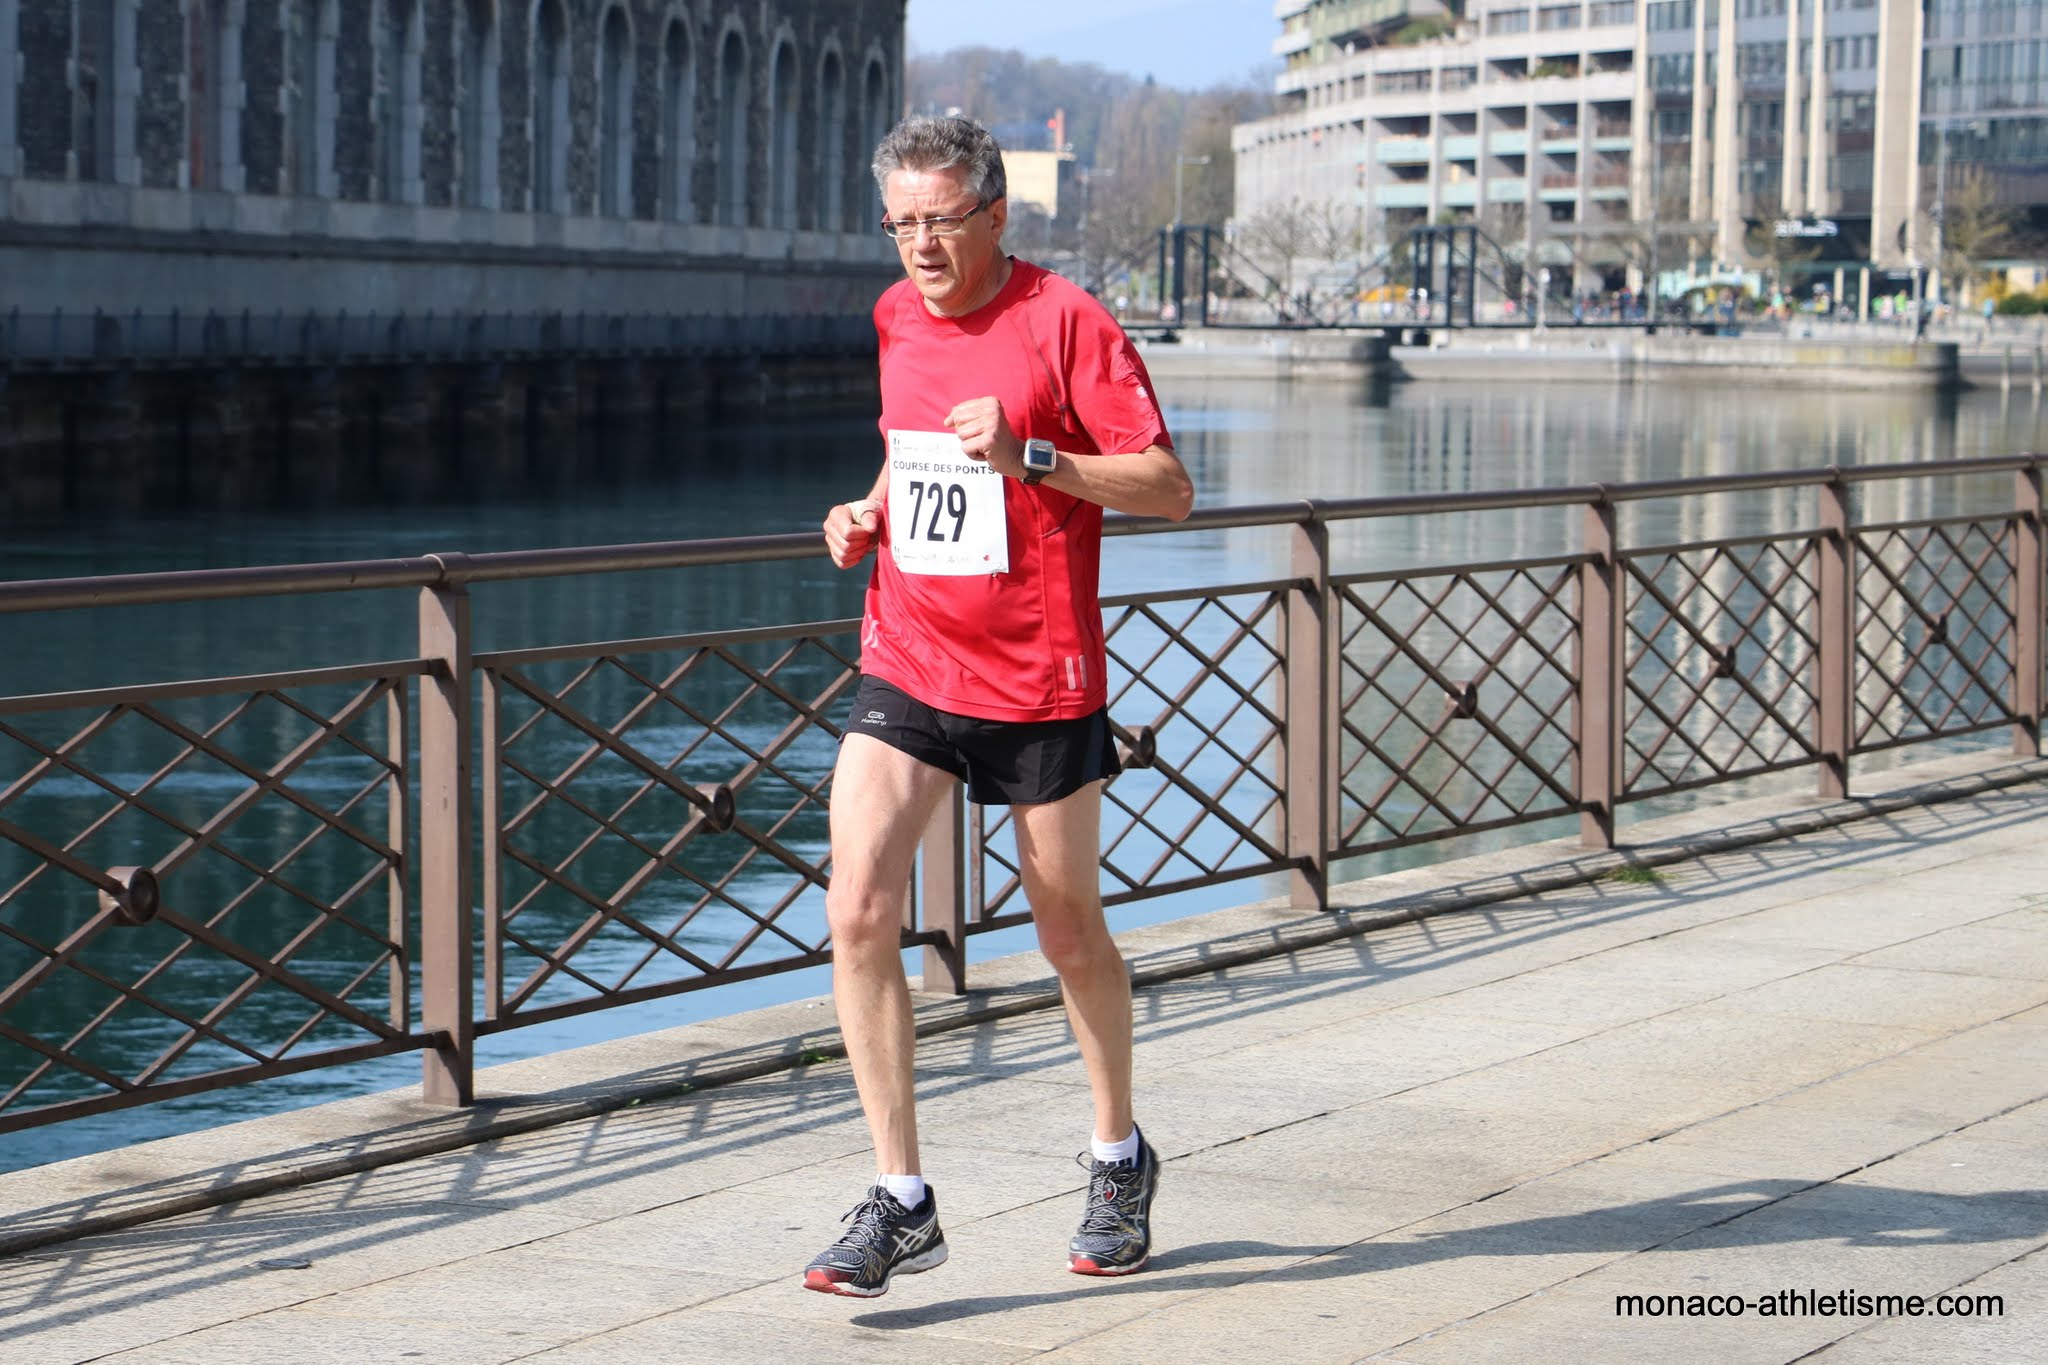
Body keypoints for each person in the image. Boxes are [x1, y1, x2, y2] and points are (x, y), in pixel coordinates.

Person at [806, 115, 1195, 1298]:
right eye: (900, 224)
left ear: (993, 215)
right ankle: (899, 1200)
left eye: (941, 221)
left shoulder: (1066, 321)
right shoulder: (893, 315)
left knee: (1065, 928)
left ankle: (1118, 1159)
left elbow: (1167, 489)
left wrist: (1034, 458)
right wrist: (865, 512)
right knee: (857, 905)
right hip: (909, 654)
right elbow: (907, 447)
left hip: (1037, 675)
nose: (920, 246)